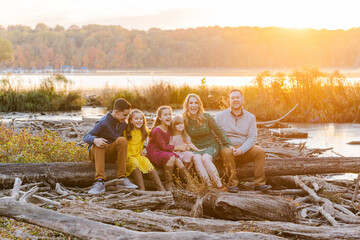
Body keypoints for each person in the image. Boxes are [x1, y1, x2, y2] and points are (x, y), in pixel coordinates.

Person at [215, 89, 272, 193]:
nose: (235, 100)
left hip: (243, 147)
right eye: (233, 98)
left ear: (242, 100)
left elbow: (252, 137)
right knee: (227, 152)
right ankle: (233, 184)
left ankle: (259, 183)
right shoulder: (220, 116)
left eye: (238, 97)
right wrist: (222, 146)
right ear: (230, 100)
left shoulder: (250, 117)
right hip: (227, 147)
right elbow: (214, 135)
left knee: (260, 152)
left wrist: (242, 149)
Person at [84, 98, 138, 194]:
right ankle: (100, 181)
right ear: (116, 112)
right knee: (100, 143)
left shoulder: (123, 124)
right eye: (124, 115)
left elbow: (134, 137)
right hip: (97, 154)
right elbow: (86, 137)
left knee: (122, 140)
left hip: (110, 154)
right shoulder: (103, 122)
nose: (126, 118)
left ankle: (122, 178)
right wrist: (95, 140)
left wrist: (145, 147)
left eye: (127, 116)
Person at [183, 93, 231, 190]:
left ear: (199, 105)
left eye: (196, 103)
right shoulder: (184, 120)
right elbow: (177, 133)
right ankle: (208, 186)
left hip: (211, 144)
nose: (193, 105)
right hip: (195, 147)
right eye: (191, 103)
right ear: (187, 105)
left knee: (205, 158)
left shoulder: (207, 117)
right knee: (196, 158)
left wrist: (228, 144)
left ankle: (219, 185)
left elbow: (219, 131)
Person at [146, 106, 194, 191]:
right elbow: (164, 147)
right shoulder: (157, 130)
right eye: (165, 115)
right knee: (172, 157)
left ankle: (190, 183)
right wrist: (179, 147)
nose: (168, 116)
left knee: (177, 160)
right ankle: (168, 184)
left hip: (164, 151)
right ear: (160, 118)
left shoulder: (169, 128)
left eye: (170, 114)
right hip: (155, 152)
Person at [125, 109, 165, 191]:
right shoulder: (126, 131)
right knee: (134, 163)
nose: (139, 121)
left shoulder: (144, 130)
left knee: (148, 164)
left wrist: (145, 148)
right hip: (128, 156)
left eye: (141, 119)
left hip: (139, 155)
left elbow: (154, 133)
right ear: (131, 121)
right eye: (136, 119)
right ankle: (142, 188)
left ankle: (160, 187)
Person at [170, 116, 212, 185]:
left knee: (190, 155)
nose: (180, 125)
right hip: (175, 152)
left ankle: (185, 171)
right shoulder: (172, 136)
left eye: (182, 123)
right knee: (178, 159)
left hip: (183, 152)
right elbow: (171, 147)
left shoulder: (184, 134)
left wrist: (198, 149)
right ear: (173, 126)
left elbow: (189, 143)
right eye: (177, 124)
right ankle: (181, 174)